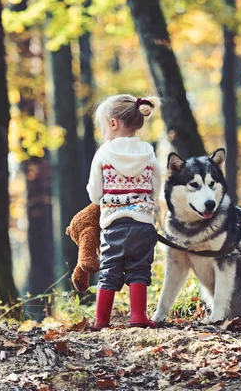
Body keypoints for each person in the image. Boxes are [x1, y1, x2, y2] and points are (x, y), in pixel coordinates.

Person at [86, 94, 162, 329]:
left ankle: (101, 320)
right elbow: (156, 187)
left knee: (109, 270)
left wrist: (104, 198)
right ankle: (138, 316)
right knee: (139, 269)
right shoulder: (148, 152)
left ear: (113, 123)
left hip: (114, 224)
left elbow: (94, 192)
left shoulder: (104, 153)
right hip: (143, 223)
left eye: (102, 127)